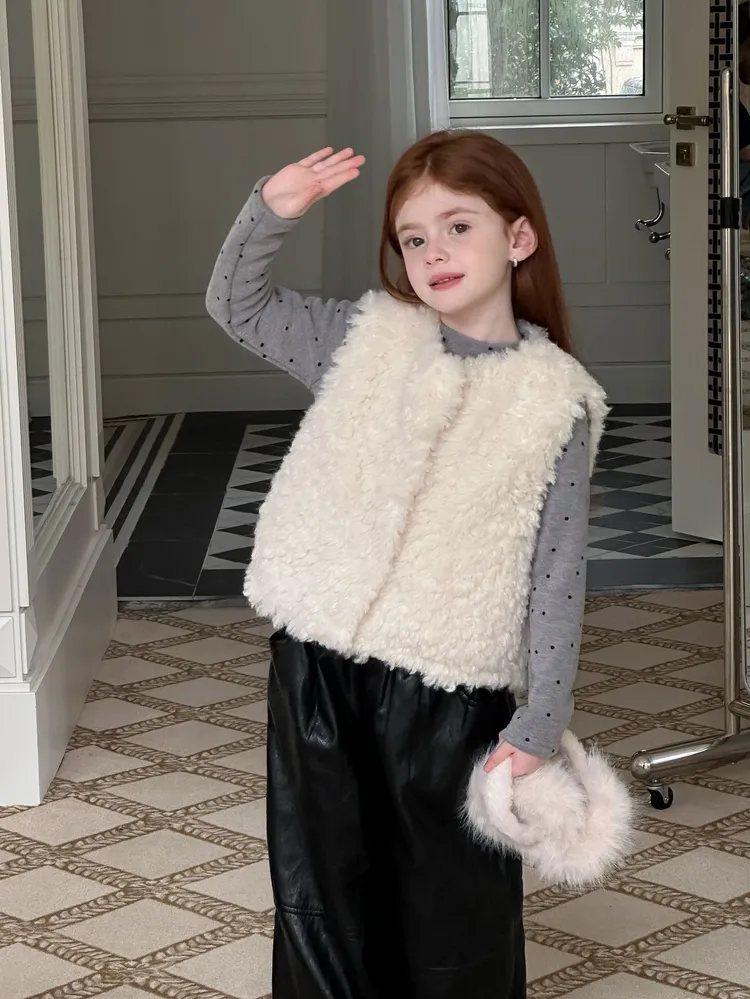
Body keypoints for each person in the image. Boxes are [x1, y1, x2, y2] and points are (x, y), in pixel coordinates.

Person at [206, 130, 607, 999]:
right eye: (414, 238)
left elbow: (556, 573)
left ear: (518, 237)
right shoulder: (361, 338)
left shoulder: (555, 400)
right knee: (322, 896)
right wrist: (270, 210)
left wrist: (539, 723)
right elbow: (238, 305)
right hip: (318, 666)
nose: (434, 254)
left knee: (451, 907)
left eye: (459, 227)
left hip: (449, 688)